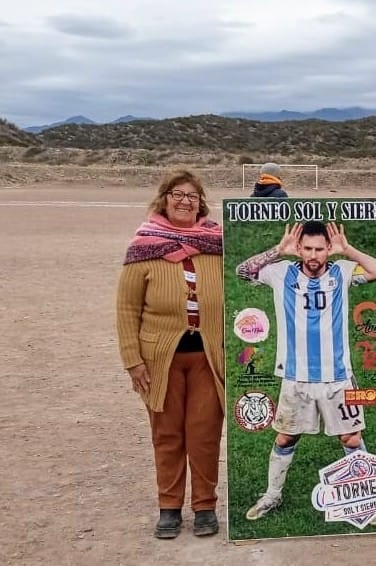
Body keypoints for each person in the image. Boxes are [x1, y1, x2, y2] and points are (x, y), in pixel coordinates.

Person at [235, 220, 376, 522]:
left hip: (338, 377)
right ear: (299, 249)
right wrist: (278, 251)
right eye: (307, 249)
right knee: (285, 438)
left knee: (351, 439)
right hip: (295, 376)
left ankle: (365, 497)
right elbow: (243, 271)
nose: (314, 255)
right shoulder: (281, 273)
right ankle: (272, 496)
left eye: (320, 249)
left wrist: (349, 251)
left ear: (328, 249)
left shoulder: (342, 271)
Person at [116, 170, 225, 539]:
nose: (184, 201)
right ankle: (169, 508)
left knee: (205, 434)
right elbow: (127, 309)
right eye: (177, 194)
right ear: (164, 199)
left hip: (209, 358)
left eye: (192, 196)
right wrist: (133, 360)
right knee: (167, 435)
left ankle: (206, 505)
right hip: (159, 360)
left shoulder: (218, 245)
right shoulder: (143, 248)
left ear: (201, 204)